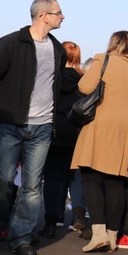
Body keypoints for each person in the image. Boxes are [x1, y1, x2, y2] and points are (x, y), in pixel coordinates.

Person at [0, 0, 66, 255]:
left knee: (32, 186)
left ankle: (21, 236)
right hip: (9, 124)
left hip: (42, 127)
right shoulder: (11, 43)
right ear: (44, 15)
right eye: (58, 13)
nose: (63, 17)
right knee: (2, 181)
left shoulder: (58, 49)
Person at [71, 31, 128, 253]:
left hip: (101, 125)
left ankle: (99, 234)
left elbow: (84, 87)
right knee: (116, 182)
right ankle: (113, 236)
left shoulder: (102, 59)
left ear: (113, 43)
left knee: (91, 177)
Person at [39, 41, 86, 238]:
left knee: (53, 177)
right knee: (76, 177)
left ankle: (53, 218)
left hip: (54, 131)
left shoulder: (51, 79)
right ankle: (78, 216)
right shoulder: (84, 82)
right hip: (77, 135)